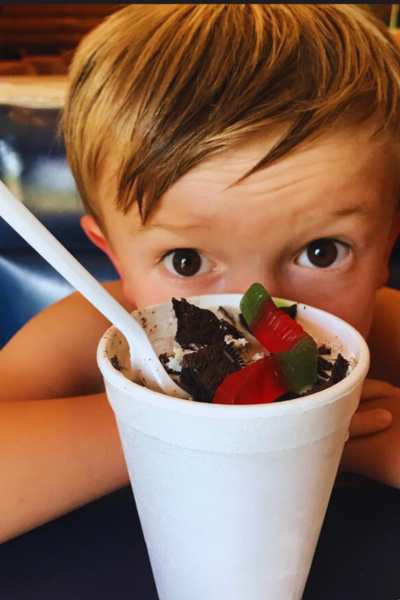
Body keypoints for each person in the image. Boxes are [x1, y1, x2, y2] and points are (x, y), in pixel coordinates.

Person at [2, 3, 400, 543]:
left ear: (384, 251)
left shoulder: (389, 327)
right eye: (186, 261)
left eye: (322, 252)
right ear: (114, 255)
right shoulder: (86, 333)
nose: (257, 312)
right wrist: (184, 432)